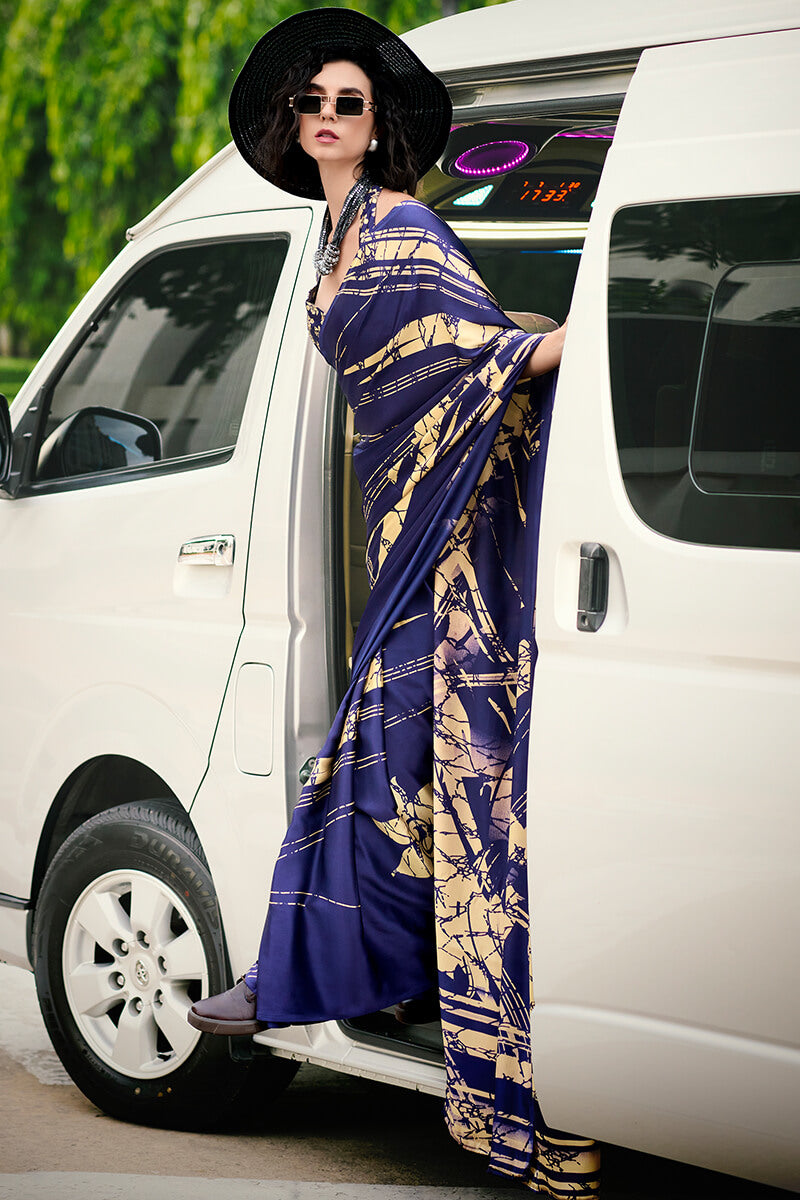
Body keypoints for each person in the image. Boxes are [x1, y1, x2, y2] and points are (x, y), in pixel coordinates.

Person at [188, 9, 599, 1195]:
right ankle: (356, 972)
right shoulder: (328, 235)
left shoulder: (404, 224)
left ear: (376, 127)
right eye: (310, 103)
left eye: (348, 104)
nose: (326, 117)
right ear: (289, 122)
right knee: (397, 758)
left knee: (398, 755)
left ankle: (313, 977)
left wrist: (601, 327)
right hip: (395, 507)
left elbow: (474, 356)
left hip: (448, 514)